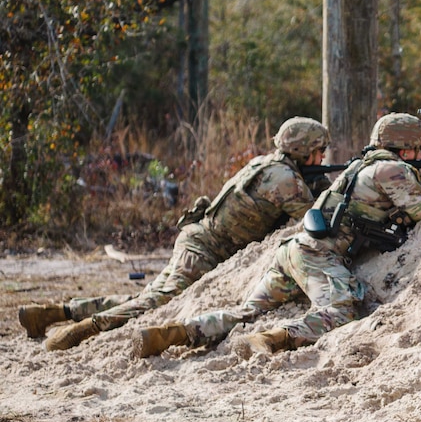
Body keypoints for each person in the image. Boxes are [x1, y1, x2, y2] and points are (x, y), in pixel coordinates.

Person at [134, 112, 421, 359]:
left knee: (248, 311)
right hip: (318, 257)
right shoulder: (393, 169)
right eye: (418, 149)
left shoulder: (361, 166)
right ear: (405, 149)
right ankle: (273, 339)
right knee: (342, 311)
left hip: (293, 251)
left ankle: (179, 332)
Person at [20, 117, 331, 351]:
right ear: (302, 151)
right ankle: (82, 330)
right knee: (156, 301)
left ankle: (52, 313)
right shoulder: (286, 180)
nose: (322, 159)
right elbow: (315, 218)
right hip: (204, 250)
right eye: (319, 152)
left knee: (147, 298)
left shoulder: (266, 164)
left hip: (197, 239)